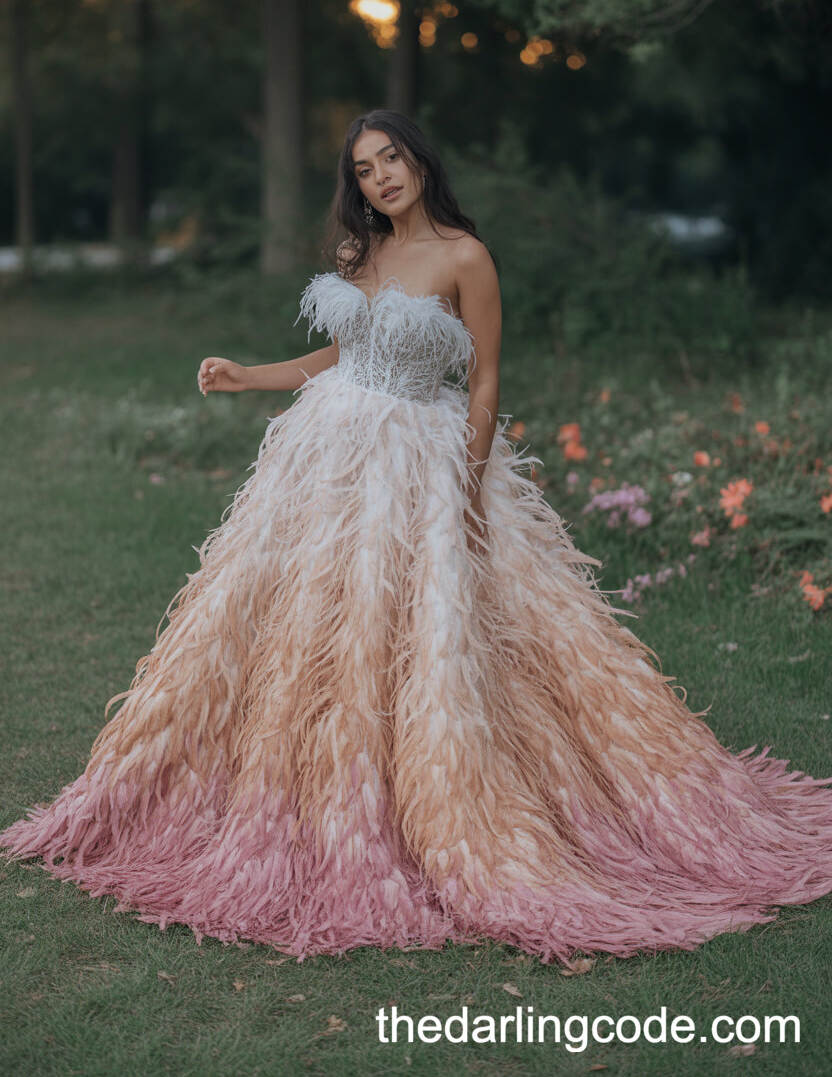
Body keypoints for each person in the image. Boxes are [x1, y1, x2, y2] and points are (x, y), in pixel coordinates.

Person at [3, 109, 832, 966]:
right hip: (328, 459)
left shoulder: (466, 257)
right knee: (301, 623)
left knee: (423, 630)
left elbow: (486, 382)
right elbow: (338, 359)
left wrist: (466, 489)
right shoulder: (358, 252)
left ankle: (438, 794)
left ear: (420, 162)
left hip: (418, 463)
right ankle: (300, 786)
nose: (381, 178)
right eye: (364, 170)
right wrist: (250, 375)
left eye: (391, 159)